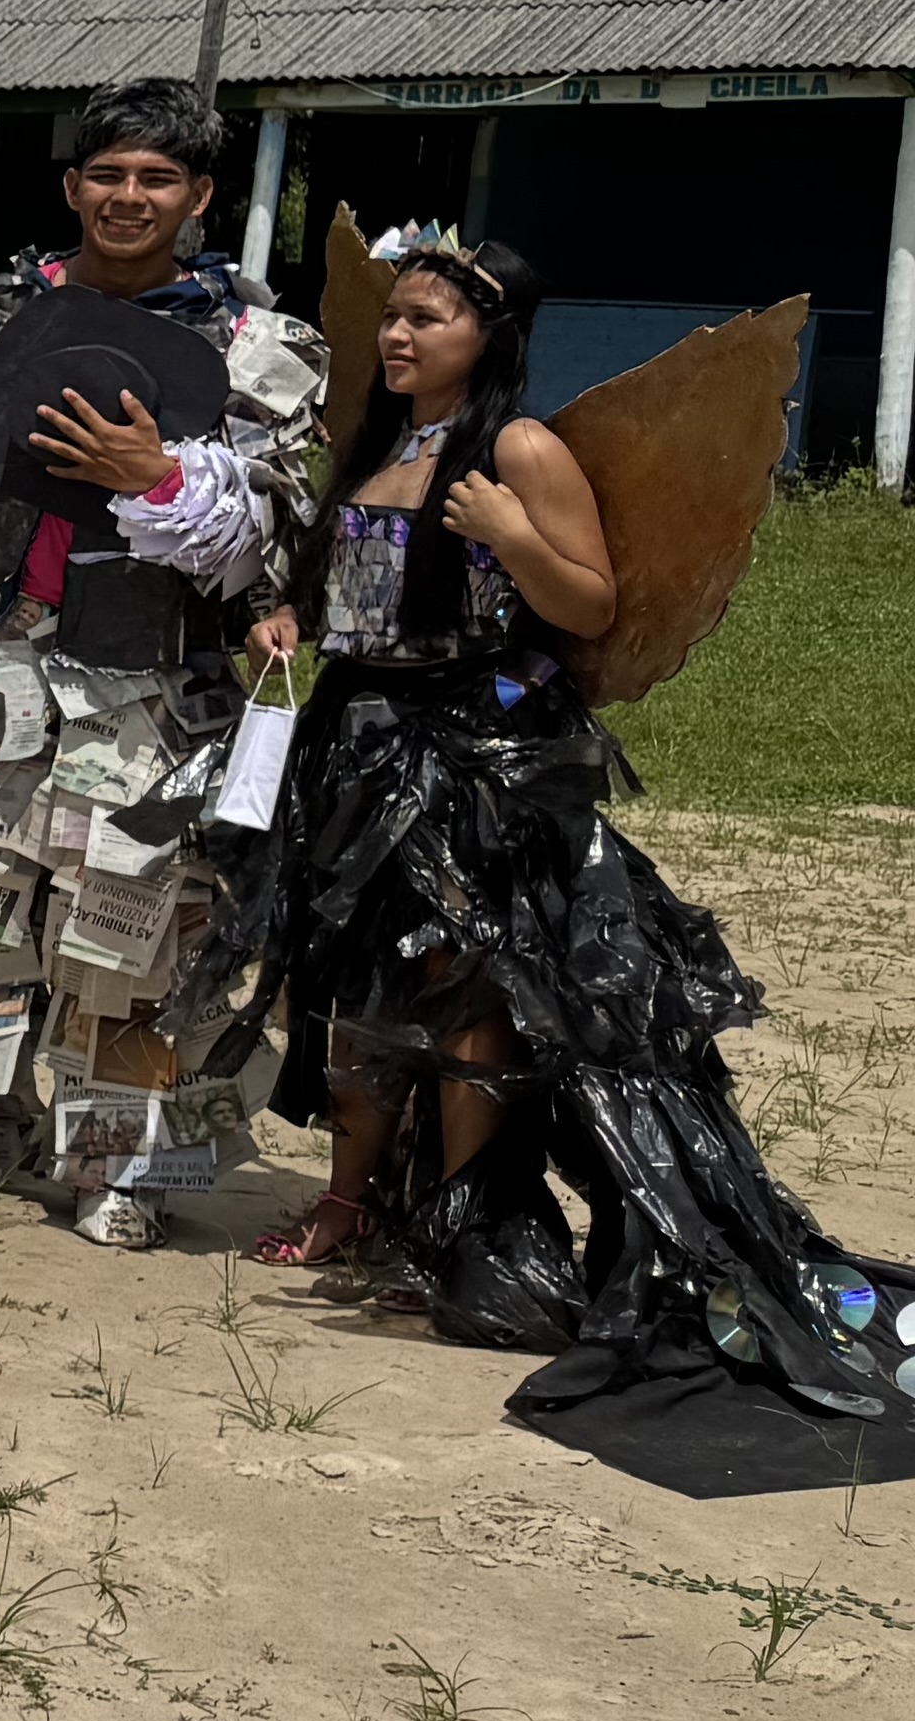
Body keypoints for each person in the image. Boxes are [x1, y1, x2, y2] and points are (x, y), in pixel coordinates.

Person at [240, 232, 908, 1422]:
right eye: (392, 316)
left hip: (478, 755)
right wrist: (290, 621)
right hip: (359, 744)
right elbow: (344, 582)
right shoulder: (382, 441)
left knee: (467, 993)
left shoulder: (522, 447)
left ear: (487, 337)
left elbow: (590, 601)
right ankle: (348, 1204)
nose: (398, 337)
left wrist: (510, 535)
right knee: (350, 988)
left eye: (427, 320)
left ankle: (466, 1232)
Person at [0, 75, 322, 1243]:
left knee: (132, 919)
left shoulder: (261, 346)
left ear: (199, 195)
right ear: (70, 187)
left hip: (155, 674)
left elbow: (279, 535)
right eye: (108, 175)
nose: (129, 197)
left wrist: (164, 480)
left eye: (157, 179)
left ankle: (120, 1170)